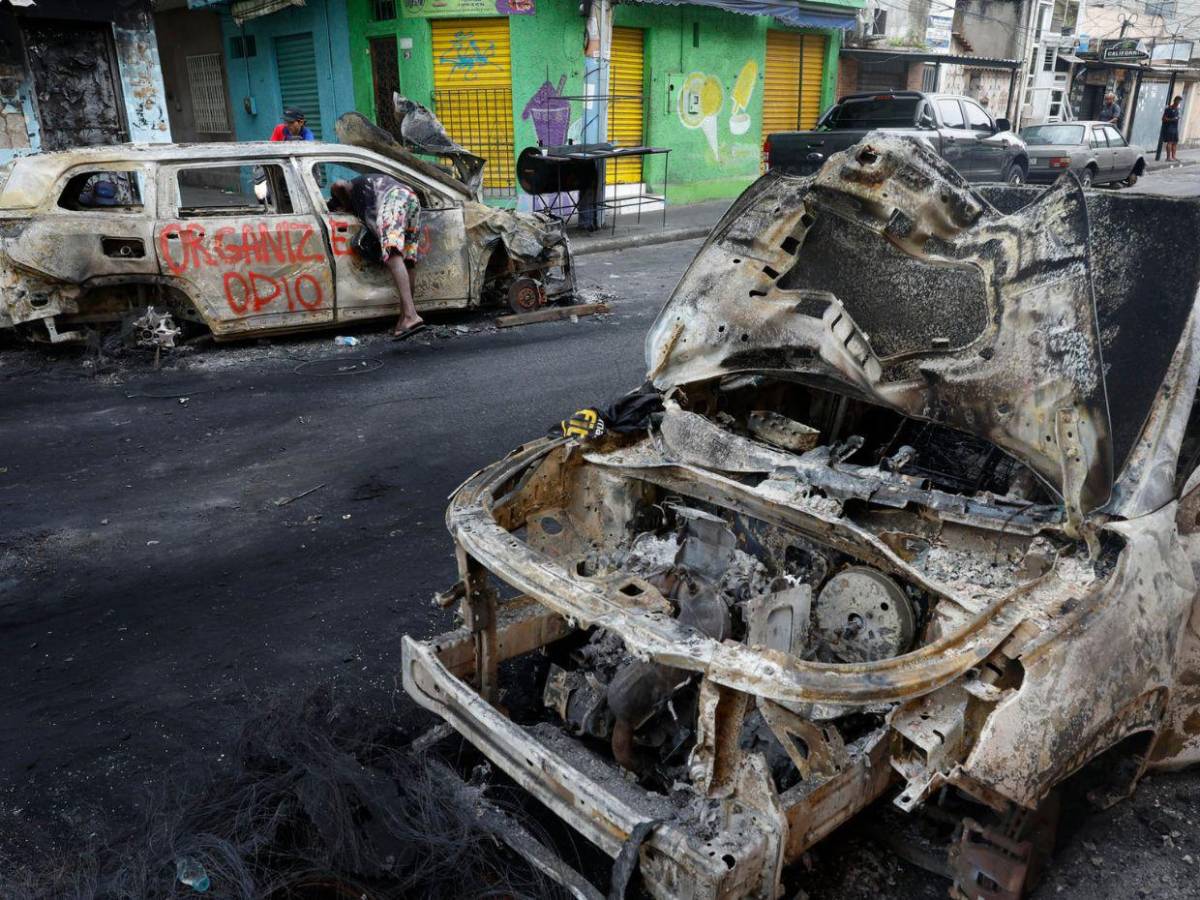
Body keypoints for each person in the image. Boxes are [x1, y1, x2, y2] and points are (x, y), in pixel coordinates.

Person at [329, 175, 426, 340]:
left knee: (392, 254)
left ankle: (411, 315)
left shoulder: (353, 191)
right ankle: (404, 320)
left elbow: (338, 185)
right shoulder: (368, 201)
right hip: (410, 197)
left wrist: (345, 205)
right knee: (408, 260)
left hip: (393, 197)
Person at [1162, 95, 1183, 162]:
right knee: (1170, 142)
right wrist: (1172, 119)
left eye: (1179, 101)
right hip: (1169, 128)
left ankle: (1173, 157)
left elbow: (1177, 117)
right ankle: (1168, 158)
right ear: (1175, 100)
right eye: (1178, 101)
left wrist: (1177, 118)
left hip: (1175, 128)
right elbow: (1164, 118)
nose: (1179, 102)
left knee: (1175, 142)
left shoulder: (1177, 109)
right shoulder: (1169, 108)